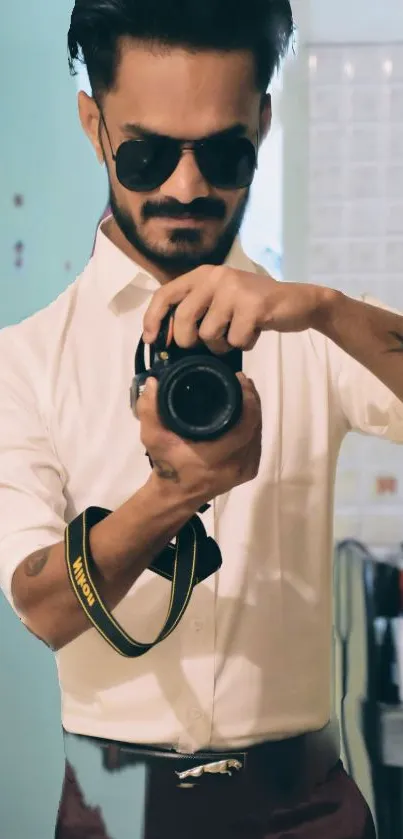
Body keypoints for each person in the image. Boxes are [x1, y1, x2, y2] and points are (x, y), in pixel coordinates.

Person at [2, 0, 403, 836]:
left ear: (262, 120)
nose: (186, 188)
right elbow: (42, 607)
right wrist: (172, 497)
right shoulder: (25, 359)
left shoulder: (317, 330)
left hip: (311, 803)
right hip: (112, 809)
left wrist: (325, 309)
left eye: (224, 152)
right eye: (146, 154)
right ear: (93, 124)